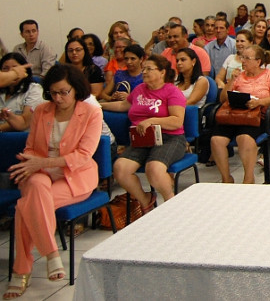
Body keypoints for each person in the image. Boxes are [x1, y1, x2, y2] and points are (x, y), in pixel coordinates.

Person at [5, 65, 102, 295]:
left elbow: (83, 156)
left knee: (24, 207)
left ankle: (21, 271)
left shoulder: (91, 112)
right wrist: (34, 165)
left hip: (75, 177)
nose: (58, 98)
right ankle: (52, 254)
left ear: (76, 89)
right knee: (37, 188)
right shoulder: (41, 111)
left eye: (63, 92)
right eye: (53, 93)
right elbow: (31, 149)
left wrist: (41, 163)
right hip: (39, 174)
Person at [101, 54, 187, 209]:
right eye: (144, 68)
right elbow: (123, 106)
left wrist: (151, 121)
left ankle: (171, 202)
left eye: (149, 69)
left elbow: (177, 121)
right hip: (141, 139)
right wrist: (99, 106)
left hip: (169, 138)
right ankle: (146, 201)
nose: (144, 72)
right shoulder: (140, 89)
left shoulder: (172, 91)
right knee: (120, 168)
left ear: (162, 72)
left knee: (153, 169)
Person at [211, 46, 270, 184]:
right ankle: (226, 178)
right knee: (216, 140)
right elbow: (222, 99)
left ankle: (248, 177)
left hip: (256, 115)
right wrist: (231, 81)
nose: (243, 61)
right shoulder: (238, 75)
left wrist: (259, 102)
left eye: (247, 58)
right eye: (242, 57)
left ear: (258, 61)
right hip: (234, 114)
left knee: (244, 138)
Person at [0, 53, 43, 133]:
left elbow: (26, 122)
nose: (10, 72)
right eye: (5, 68)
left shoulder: (34, 89)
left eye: (15, 68)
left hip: (19, 138)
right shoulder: (2, 88)